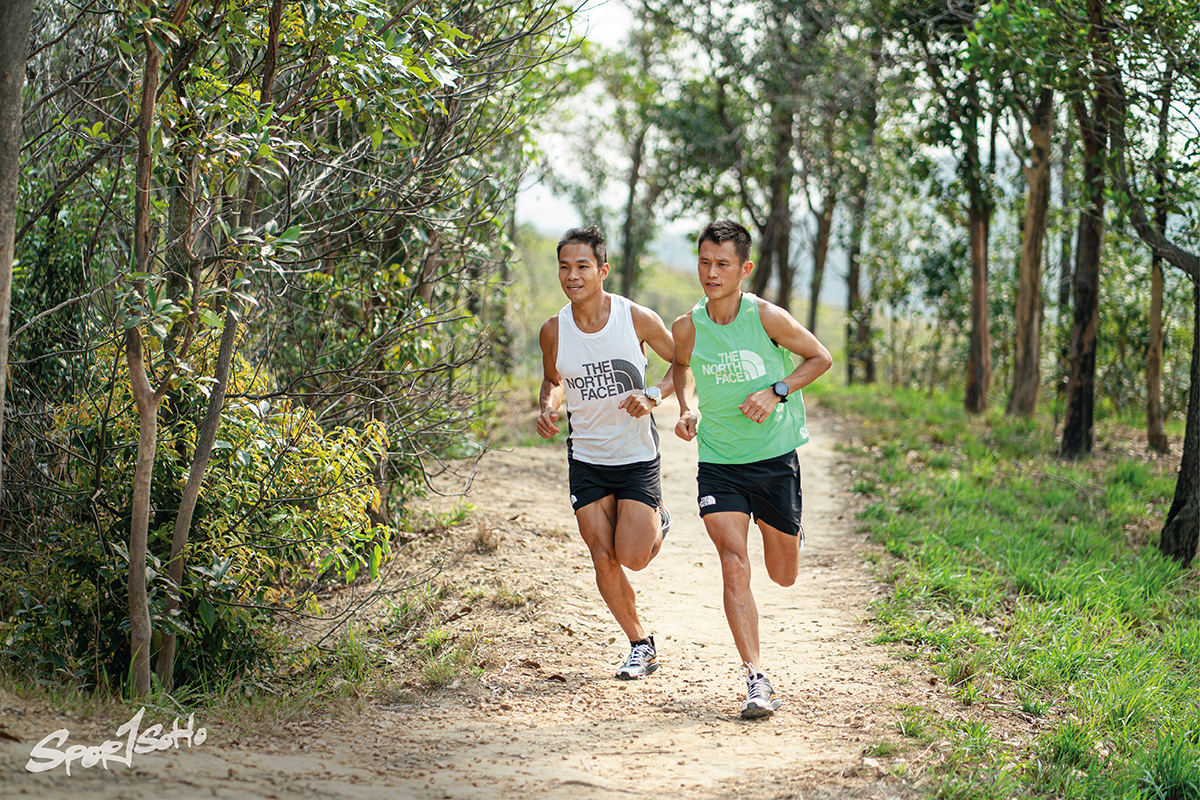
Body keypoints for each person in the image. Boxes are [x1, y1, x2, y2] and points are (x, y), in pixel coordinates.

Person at [671, 219, 833, 718]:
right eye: (704, 262)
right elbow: (680, 368)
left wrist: (777, 389)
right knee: (732, 561)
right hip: (719, 463)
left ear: (745, 268)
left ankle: (787, 530)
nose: (711, 273)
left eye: (722, 264)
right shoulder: (687, 327)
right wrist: (686, 407)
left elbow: (820, 358)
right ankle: (756, 678)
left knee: (782, 574)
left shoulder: (767, 317)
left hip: (774, 458)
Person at [537, 225, 676, 680]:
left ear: (602, 270)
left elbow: (684, 364)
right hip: (587, 459)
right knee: (603, 556)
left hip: (636, 457)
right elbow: (554, 382)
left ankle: (659, 518)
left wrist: (654, 394)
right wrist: (547, 408)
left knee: (633, 556)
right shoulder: (554, 330)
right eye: (564, 266)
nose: (571, 275)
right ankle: (640, 644)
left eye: (581, 266)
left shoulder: (636, 318)